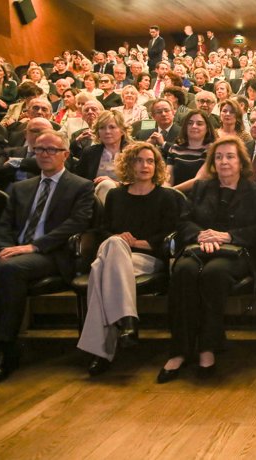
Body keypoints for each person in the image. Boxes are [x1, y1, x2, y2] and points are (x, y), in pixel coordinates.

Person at [158, 136, 256, 383]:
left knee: (214, 274)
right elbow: (183, 221)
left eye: (230, 156)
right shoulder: (201, 188)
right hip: (199, 248)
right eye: (219, 157)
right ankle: (180, 350)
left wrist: (228, 236)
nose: (224, 162)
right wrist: (200, 234)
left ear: (241, 162)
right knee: (184, 271)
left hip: (238, 253)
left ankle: (208, 347)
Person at [0, 130, 94, 386]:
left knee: (10, 269)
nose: (44, 154)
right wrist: (6, 247)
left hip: (52, 254)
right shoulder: (20, 188)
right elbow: (4, 224)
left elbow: (76, 224)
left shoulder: (81, 186)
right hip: (14, 251)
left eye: (51, 150)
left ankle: (5, 348)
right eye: (39, 149)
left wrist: (34, 247)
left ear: (66, 154)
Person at [78, 142, 180, 376]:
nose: (145, 165)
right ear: (128, 164)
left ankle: (102, 351)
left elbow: (168, 236)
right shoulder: (115, 195)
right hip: (118, 257)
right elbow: (104, 231)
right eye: (138, 160)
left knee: (99, 268)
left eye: (150, 161)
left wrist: (134, 243)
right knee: (111, 247)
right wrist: (118, 239)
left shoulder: (166, 197)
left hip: (147, 259)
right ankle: (126, 322)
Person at [75, 110, 129, 203]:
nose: (107, 131)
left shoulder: (134, 152)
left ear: (122, 131)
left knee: (108, 184)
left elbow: (143, 182)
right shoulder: (90, 152)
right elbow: (78, 180)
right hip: (96, 199)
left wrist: (116, 184)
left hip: (128, 197)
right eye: (102, 128)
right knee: (106, 186)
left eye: (112, 127)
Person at [165, 109, 216, 192]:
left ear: (207, 128)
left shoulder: (213, 149)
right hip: (175, 197)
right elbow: (168, 177)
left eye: (199, 124)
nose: (194, 126)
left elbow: (199, 179)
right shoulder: (175, 149)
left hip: (200, 197)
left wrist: (172, 192)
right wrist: (166, 189)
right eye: (190, 123)